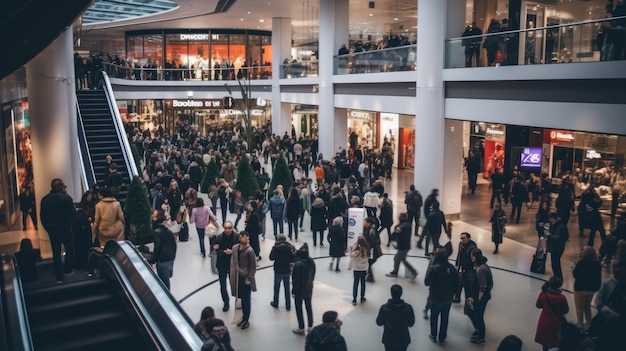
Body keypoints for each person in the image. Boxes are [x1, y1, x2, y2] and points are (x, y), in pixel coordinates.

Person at [40, 178, 75, 283]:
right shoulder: (66, 198)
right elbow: (73, 214)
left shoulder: (45, 199)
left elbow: (43, 217)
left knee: (56, 253)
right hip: (65, 228)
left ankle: (59, 277)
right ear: (60, 187)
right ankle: (67, 270)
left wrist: (49, 229)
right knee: (70, 249)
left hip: (52, 229)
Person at [425, 248, 460, 345]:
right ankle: (442, 336)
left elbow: (427, 282)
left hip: (436, 297)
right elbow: (457, 284)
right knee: (445, 317)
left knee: (434, 317)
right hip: (448, 298)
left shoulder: (434, 268)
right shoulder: (452, 268)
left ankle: (433, 334)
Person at [590, 257, 626, 350]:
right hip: (605, 322)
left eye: (620, 272)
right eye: (615, 271)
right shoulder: (609, 282)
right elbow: (599, 299)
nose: (617, 273)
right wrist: (601, 308)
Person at [375, 284, 416, 351]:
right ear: (401, 293)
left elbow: (379, 323)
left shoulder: (384, 308)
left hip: (389, 339)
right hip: (403, 338)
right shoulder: (408, 308)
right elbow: (411, 324)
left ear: (391, 294)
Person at [230, 231, 256, 329]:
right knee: (239, 298)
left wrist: (249, 278)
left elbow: (253, 266)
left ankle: (246, 319)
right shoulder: (235, 248)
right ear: (240, 238)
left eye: (247, 238)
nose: (247, 240)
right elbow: (233, 261)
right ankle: (242, 318)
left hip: (245, 278)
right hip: (237, 278)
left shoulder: (250, 251)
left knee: (246, 300)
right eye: (245, 237)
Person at [535, 276, 569, 351]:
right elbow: (565, 310)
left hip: (544, 320)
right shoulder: (562, 297)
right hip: (557, 322)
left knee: (545, 341)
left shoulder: (543, 294)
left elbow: (538, 305)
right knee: (557, 340)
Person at [467, 249, 493, 344]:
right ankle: (479, 332)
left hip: (481, 298)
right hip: (482, 297)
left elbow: (483, 287)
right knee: (476, 315)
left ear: (474, 257)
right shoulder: (483, 267)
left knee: (479, 317)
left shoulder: (481, 270)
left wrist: (477, 298)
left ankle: (481, 336)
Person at [572, 246, 601, 330]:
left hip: (580, 289)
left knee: (579, 308)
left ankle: (580, 324)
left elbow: (575, 275)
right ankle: (589, 322)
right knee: (587, 306)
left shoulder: (581, 263)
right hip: (591, 289)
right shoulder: (597, 265)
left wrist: (575, 267)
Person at [214, 221, 238, 312]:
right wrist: (223, 252)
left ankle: (238, 300)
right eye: (226, 228)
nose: (227, 230)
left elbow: (241, 249)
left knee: (235, 284)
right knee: (223, 285)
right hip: (222, 264)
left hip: (233, 264)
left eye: (229, 228)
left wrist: (233, 252)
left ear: (232, 228)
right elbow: (215, 249)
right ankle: (226, 302)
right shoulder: (219, 237)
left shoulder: (236, 237)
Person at [292, 243, 316, 335]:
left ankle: (301, 327)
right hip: (309, 287)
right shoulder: (311, 261)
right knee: (308, 307)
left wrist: (294, 291)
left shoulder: (298, 265)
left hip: (299, 290)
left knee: (299, 308)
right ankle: (310, 325)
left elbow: (295, 280)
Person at [148, 214, 177, 290]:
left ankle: (168, 299)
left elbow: (158, 247)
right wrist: (173, 256)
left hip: (162, 260)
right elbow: (174, 245)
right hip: (170, 259)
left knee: (164, 283)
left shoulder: (156, 232)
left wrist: (153, 260)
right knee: (167, 280)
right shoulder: (170, 232)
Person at [385, 213, 418, 280]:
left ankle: (395, 272)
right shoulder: (408, 224)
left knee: (396, 259)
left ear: (402, 217)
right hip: (405, 245)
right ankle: (413, 272)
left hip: (403, 246)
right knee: (402, 259)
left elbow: (395, 233)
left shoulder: (402, 226)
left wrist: (394, 235)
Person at [269, 234, 294, 310]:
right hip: (287, 270)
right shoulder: (290, 247)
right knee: (287, 288)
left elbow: (271, 258)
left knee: (276, 287)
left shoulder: (275, 248)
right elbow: (294, 258)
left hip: (278, 270)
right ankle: (288, 305)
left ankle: (276, 302)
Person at [454, 232, 478, 303]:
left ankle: (468, 300)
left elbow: (472, 259)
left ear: (469, 238)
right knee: (459, 283)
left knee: (467, 286)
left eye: (464, 238)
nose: (462, 240)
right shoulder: (461, 244)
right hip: (462, 267)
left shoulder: (472, 247)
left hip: (468, 269)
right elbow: (459, 255)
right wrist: (457, 265)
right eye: (461, 238)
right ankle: (457, 297)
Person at [545, 213, 569, 279]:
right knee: (555, 263)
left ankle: (558, 278)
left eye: (551, 220)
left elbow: (557, 237)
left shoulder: (559, 226)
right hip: (557, 248)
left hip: (557, 248)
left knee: (555, 264)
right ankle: (557, 277)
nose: (551, 222)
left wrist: (549, 235)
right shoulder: (558, 225)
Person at [349, 236, 370, 305]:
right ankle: (362, 297)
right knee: (363, 283)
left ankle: (354, 299)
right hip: (364, 269)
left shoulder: (357, 251)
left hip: (356, 269)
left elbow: (351, 255)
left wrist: (351, 249)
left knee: (356, 283)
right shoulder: (367, 250)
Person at [364, 217, 382, 282]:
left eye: (365, 222)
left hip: (372, 251)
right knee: (368, 262)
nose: (364, 223)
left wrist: (368, 247)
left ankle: (370, 276)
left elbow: (373, 241)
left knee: (369, 262)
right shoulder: (370, 229)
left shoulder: (371, 230)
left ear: (368, 223)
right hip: (372, 250)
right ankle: (369, 274)